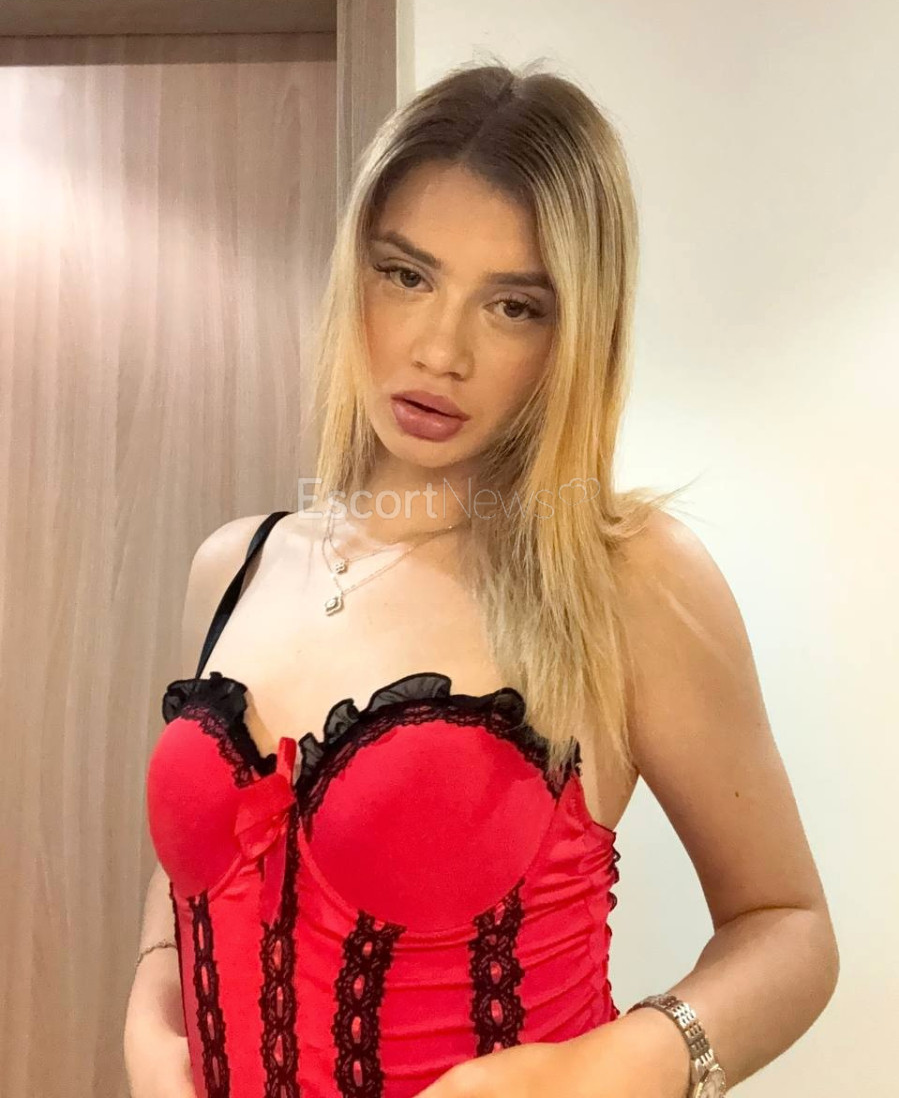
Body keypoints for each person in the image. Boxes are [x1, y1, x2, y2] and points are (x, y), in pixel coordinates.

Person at [123, 57, 839, 1098]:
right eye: (406, 276)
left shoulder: (626, 580)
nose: (439, 350)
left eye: (511, 306)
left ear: (571, 335)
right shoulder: (234, 566)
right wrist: (151, 1015)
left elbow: (787, 927)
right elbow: (197, 876)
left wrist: (608, 1068)